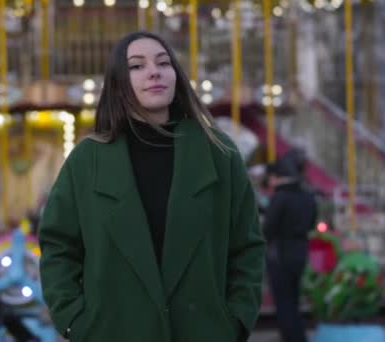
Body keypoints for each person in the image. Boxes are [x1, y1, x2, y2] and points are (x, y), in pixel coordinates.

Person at [38, 32, 265, 342]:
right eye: (136, 66)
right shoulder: (87, 160)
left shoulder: (218, 152)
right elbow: (58, 246)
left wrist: (236, 320)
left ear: (176, 75)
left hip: (204, 332)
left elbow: (247, 245)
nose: (154, 71)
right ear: (119, 82)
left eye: (163, 62)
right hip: (111, 332)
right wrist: (74, 321)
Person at [263, 158, 317, 342]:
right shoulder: (308, 196)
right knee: (294, 301)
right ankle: (299, 336)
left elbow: (268, 229)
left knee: (284, 303)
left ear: (276, 177)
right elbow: (312, 224)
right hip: (301, 252)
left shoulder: (280, 198)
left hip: (280, 255)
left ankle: (291, 338)